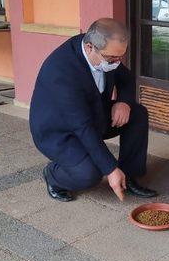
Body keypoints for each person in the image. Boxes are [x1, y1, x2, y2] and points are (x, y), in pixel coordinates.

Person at [29, 18, 158, 202]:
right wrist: (111, 169)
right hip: (58, 131)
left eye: (120, 57)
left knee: (137, 114)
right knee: (89, 174)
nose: (116, 62)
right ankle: (53, 176)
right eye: (112, 58)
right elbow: (82, 126)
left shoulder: (104, 50)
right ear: (89, 47)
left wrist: (123, 102)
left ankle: (129, 176)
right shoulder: (61, 72)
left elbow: (126, 78)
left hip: (93, 114)